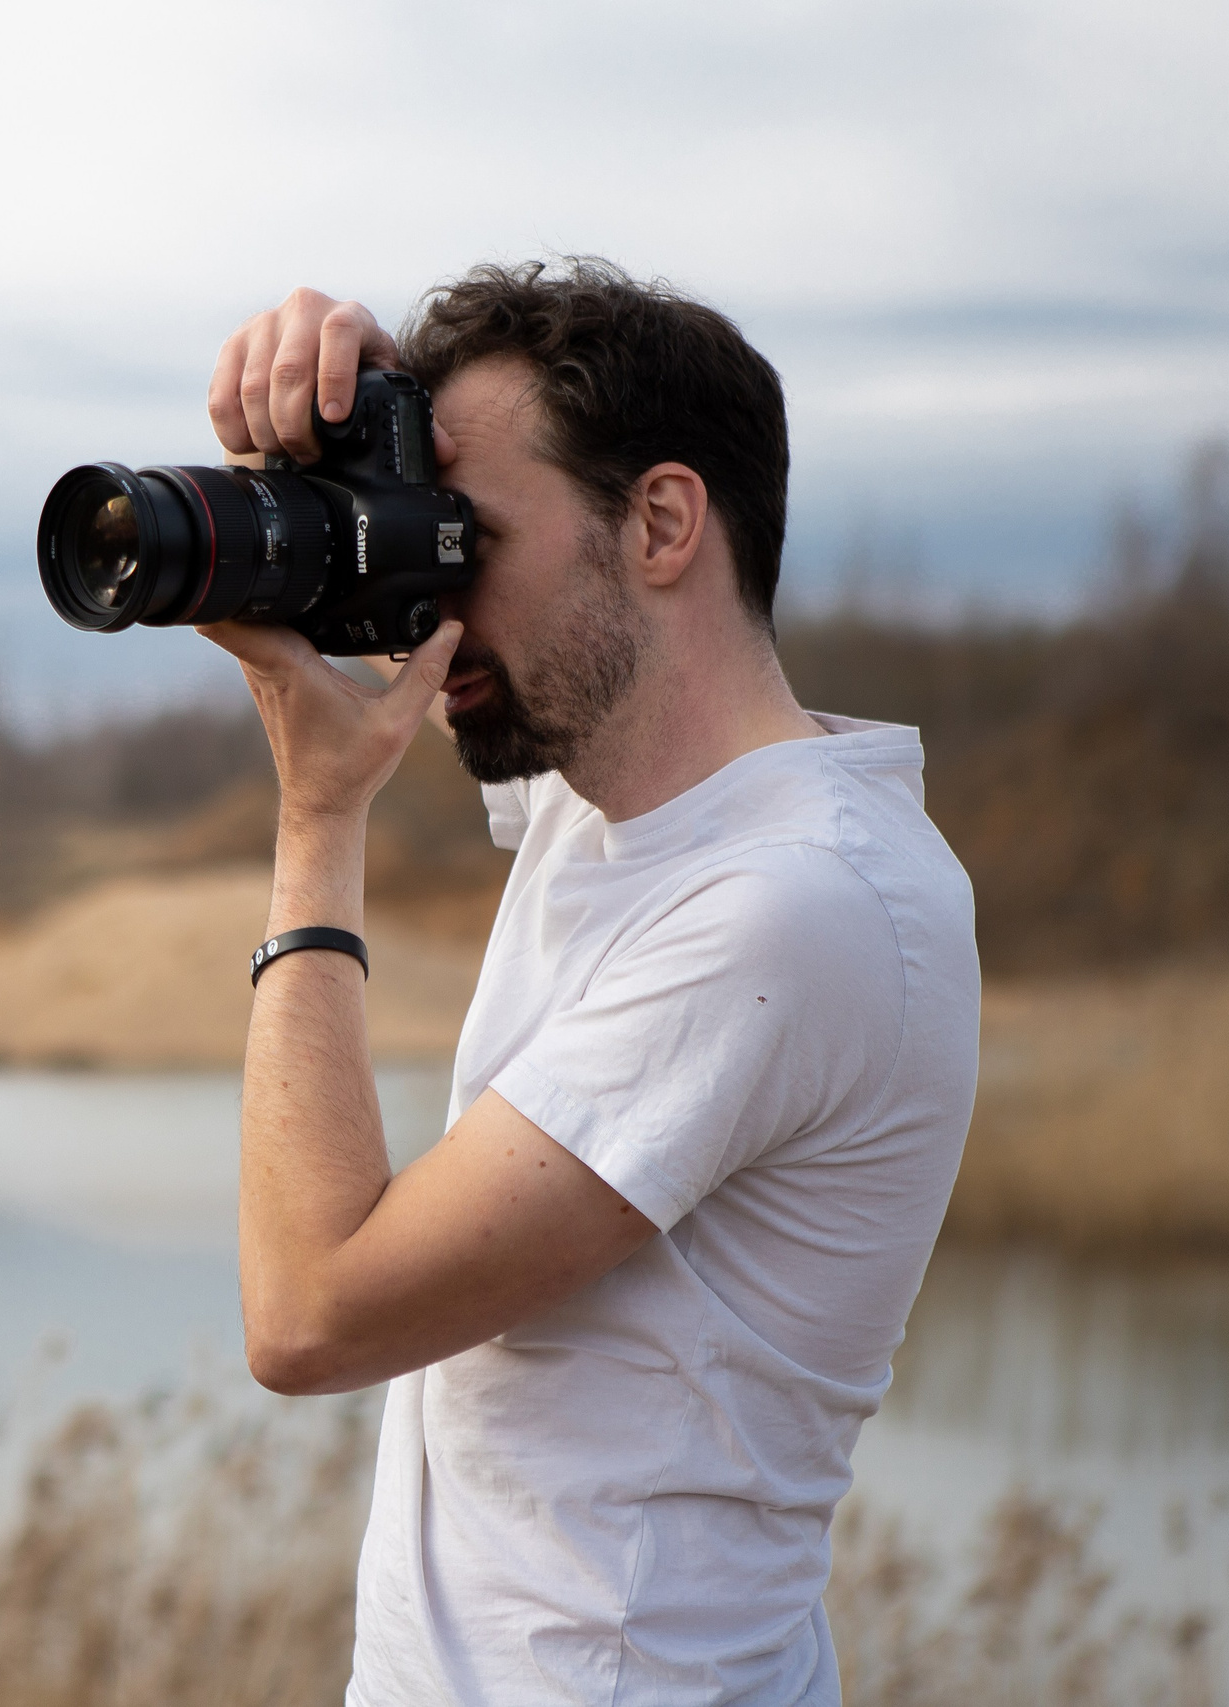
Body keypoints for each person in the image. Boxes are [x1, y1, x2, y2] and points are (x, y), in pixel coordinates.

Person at [196, 260, 980, 1707]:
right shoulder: (629, 804)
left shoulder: (791, 908)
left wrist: (318, 826)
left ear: (662, 524)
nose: (434, 587)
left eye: (469, 538)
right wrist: (354, 416)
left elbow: (311, 1315)